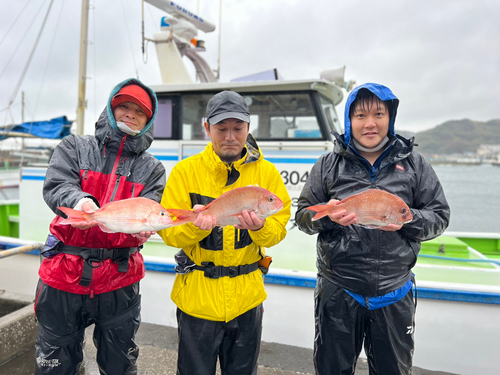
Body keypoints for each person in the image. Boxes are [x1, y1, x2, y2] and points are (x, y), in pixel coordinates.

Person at [295, 83, 450, 375]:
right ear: (348, 121)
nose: (370, 123)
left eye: (379, 114)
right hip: (339, 289)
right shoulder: (328, 165)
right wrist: (330, 217)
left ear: (390, 117)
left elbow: (439, 216)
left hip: (394, 290)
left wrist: (408, 219)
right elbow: (303, 216)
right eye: (360, 115)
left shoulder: (415, 165)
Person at [34, 78, 167, 375]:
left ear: (148, 121)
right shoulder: (74, 146)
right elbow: (56, 186)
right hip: (62, 277)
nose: (130, 114)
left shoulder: (154, 169)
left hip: (119, 281)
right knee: (54, 366)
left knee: (120, 365)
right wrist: (81, 202)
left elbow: (148, 210)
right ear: (110, 108)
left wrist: (143, 231)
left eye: (139, 111)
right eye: (124, 106)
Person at [158, 90, 292, 375]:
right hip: (197, 301)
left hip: (247, 301)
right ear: (207, 128)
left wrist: (261, 227)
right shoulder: (185, 172)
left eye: (237, 128)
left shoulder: (267, 174)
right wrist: (194, 228)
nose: (230, 136)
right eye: (221, 128)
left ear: (248, 128)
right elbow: (169, 232)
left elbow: (278, 230)